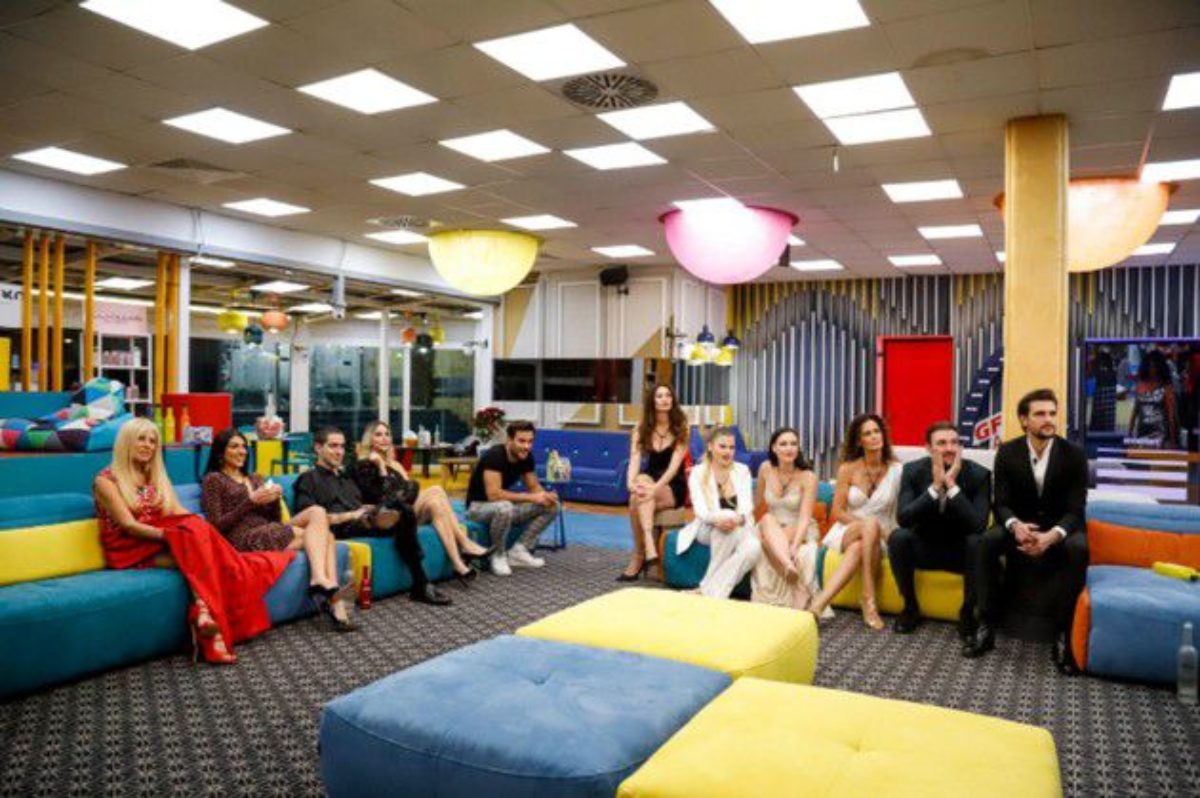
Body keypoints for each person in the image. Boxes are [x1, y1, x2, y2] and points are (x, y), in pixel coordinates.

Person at [93, 418, 293, 664]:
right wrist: (177, 536)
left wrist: (202, 532)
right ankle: (210, 626)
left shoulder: (154, 475)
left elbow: (178, 511)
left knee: (198, 538)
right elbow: (129, 526)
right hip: (128, 546)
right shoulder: (106, 480)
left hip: (158, 541)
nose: (148, 445)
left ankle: (205, 617)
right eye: (141, 439)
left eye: (153, 441)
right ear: (126, 442)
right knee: (199, 546)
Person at [968, 388, 1089, 673]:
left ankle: (1064, 635)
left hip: (1059, 529)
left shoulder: (1074, 455)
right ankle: (985, 625)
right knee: (986, 541)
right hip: (1020, 527)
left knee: (1078, 547)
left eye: (1052, 413)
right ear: (1024, 420)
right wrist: (1015, 526)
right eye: (1040, 414)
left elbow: (1076, 509)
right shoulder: (1007, 452)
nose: (1049, 419)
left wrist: (1051, 536)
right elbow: (1001, 503)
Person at [200, 428, 354, 631]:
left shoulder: (255, 478)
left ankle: (320, 581)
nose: (242, 451)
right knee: (327, 537)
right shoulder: (214, 479)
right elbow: (215, 526)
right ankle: (335, 601)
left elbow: (273, 519)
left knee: (318, 513)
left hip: (268, 528)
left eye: (244, 447)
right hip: (242, 537)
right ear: (221, 452)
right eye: (234, 446)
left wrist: (274, 500)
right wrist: (250, 501)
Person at [294, 427, 451, 607]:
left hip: (364, 518)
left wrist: (369, 506)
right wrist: (351, 515)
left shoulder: (346, 478)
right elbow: (308, 520)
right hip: (343, 527)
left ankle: (382, 517)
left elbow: (367, 497)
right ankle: (421, 584)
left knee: (405, 503)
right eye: (333, 446)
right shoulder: (308, 479)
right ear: (318, 448)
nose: (339, 452)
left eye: (342, 446)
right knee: (401, 509)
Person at [352, 420, 491, 588]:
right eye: (378, 434)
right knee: (436, 491)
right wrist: (381, 467)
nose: (384, 438)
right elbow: (384, 497)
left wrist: (392, 469)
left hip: (407, 511)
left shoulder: (395, 464)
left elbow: (408, 491)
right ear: (369, 439)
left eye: (387, 434)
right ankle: (465, 544)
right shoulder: (365, 465)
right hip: (388, 516)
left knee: (436, 502)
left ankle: (458, 564)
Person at [888, 421, 990, 638]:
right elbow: (903, 518)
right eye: (942, 443)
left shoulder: (979, 475)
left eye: (954, 443)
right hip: (925, 547)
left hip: (960, 553)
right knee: (898, 537)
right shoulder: (912, 471)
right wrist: (934, 488)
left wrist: (951, 485)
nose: (949, 448)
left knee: (977, 541)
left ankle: (967, 613)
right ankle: (910, 607)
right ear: (928, 448)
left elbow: (979, 525)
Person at [808, 414, 902, 630]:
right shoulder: (847, 469)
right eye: (867, 433)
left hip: (881, 537)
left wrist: (885, 531)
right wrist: (868, 525)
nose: (874, 436)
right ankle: (868, 598)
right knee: (870, 524)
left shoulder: (897, 470)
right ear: (860, 441)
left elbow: (901, 509)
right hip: (847, 528)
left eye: (876, 431)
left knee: (859, 547)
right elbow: (837, 512)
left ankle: (818, 605)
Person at [464, 421, 559, 577]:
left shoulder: (526, 457)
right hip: (477, 508)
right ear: (509, 440)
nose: (526, 446)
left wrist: (545, 496)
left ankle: (519, 550)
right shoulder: (495, 456)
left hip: (502, 507)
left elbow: (534, 486)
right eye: (521, 441)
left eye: (530, 442)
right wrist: (532, 497)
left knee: (552, 506)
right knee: (505, 506)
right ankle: (498, 555)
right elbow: (494, 495)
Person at [675, 426, 761, 599]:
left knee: (753, 548)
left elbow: (746, 505)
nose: (728, 451)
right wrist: (719, 520)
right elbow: (700, 510)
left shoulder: (742, 470)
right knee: (726, 517)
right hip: (707, 526)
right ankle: (708, 587)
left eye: (731, 447)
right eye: (722, 446)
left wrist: (738, 519)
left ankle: (710, 592)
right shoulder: (698, 472)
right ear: (710, 447)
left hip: (739, 525)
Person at [618, 384, 689, 581]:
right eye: (659, 396)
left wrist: (654, 490)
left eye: (668, 395)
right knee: (639, 487)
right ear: (652, 401)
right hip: (649, 479)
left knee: (636, 500)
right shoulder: (641, 428)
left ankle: (639, 555)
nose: (665, 399)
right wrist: (630, 484)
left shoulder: (682, 427)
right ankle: (649, 543)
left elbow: (674, 467)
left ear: (673, 400)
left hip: (672, 484)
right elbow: (634, 460)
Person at [750, 427, 821, 610]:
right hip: (772, 525)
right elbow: (758, 504)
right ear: (774, 448)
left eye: (793, 444)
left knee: (766, 542)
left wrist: (795, 545)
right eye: (783, 444)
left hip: (799, 525)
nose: (789, 448)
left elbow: (805, 518)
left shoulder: (808, 477)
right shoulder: (765, 469)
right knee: (766, 520)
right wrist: (744, 523)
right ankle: (791, 573)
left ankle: (794, 581)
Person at [1128, 349, 1177, 448]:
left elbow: (1171, 416)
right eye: (1150, 366)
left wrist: (1173, 441)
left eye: (1154, 367)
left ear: (1160, 368)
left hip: (1160, 436)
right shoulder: (1140, 385)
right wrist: (1130, 434)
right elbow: (1135, 411)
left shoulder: (1166, 388)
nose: (1152, 370)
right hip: (1142, 434)